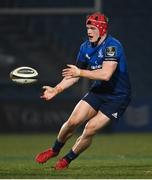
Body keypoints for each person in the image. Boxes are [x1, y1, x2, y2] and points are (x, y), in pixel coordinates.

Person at [35, 12, 131, 170]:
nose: (89, 32)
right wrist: (56, 89)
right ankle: (54, 150)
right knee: (72, 122)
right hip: (98, 91)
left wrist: (80, 72)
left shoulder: (113, 46)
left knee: (89, 129)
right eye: (88, 28)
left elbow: (106, 74)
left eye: (93, 28)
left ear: (102, 29)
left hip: (117, 97)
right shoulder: (85, 47)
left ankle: (67, 160)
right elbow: (74, 75)